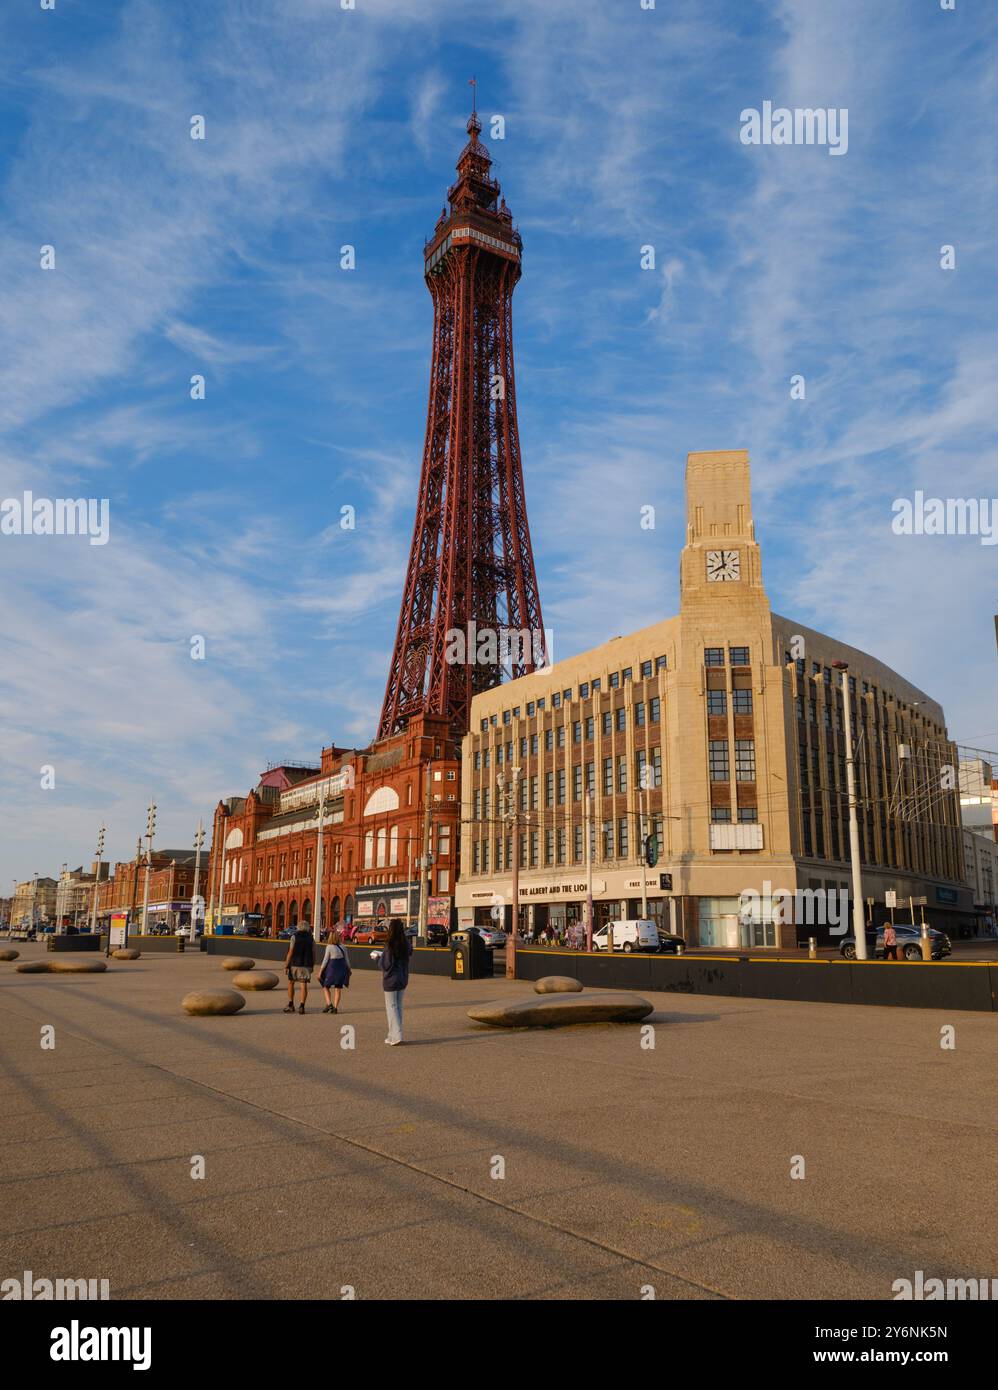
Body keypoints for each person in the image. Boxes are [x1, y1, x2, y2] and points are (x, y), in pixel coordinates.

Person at [379, 917, 412, 1046]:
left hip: (391, 980)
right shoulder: (406, 944)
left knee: (391, 1007)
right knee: (398, 1007)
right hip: (403, 978)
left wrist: (377, 959)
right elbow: (409, 953)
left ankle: (396, 1035)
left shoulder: (390, 945)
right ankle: (392, 1035)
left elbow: (386, 965)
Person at [284, 921, 315, 1013]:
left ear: (298, 927)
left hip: (295, 963)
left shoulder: (294, 937)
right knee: (303, 985)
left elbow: (290, 952)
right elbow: (314, 953)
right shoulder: (311, 938)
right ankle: (302, 1006)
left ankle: (291, 1004)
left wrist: (286, 965)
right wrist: (312, 964)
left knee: (291, 983)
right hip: (307, 964)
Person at [319, 928, 351, 1013]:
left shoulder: (329, 947)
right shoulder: (343, 947)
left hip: (332, 969)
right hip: (342, 968)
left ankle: (329, 1004)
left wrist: (320, 972)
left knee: (325, 986)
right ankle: (335, 1008)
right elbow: (347, 960)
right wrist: (349, 970)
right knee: (338, 988)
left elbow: (325, 960)